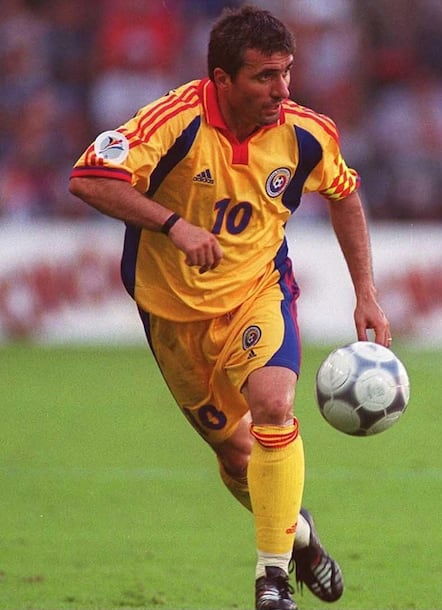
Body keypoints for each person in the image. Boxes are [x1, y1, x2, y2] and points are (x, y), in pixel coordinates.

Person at [68, 6, 391, 610]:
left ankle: (271, 578)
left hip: (257, 291)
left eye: (287, 73)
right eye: (266, 76)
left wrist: (366, 293)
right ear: (222, 79)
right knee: (237, 456)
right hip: (172, 316)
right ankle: (301, 539)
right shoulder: (172, 123)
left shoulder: (306, 134)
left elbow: (345, 197)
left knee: (272, 406)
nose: (282, 89)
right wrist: (173, 225)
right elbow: (88, 178)